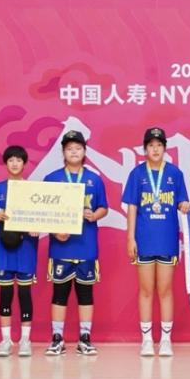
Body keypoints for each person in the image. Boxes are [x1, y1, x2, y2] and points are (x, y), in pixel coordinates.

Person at [122, 127, 190, 357]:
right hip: (144, 239)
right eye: (151, 145)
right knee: (145, 290)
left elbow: (182, 202)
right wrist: (130, 237)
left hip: (167, 240)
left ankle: (166, 340)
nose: (155, 149)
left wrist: (184, 205)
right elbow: (132, 207)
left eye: (159, 145)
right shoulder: (137, 174)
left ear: (165, 148)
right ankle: (147, 340)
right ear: (145, 149)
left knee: (165, 290)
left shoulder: (175, 173)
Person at [44, 130, 108, 356]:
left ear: (84, 151)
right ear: (63, 152)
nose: (74, 152)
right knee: (59, 293)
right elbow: (43, 212)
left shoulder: (94, 179)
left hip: (86, 246)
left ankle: (85, 338)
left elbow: (103, 207)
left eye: (78, 148)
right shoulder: (52, 179)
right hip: (61, 246)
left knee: (85, 293)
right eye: (69, 148)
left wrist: (94, 215)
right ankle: (57, 338)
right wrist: (55, 232)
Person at [0, 146, 41, 358]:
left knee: (25, 292)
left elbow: (40, 216)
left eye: (19, 160)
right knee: (6, 292)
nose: (15, 163)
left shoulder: (33, 190)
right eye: (11, 160)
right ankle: (6, 340)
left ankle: (25, 340)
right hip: (4, 245)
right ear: (6, 163)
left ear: (24, 163)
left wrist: (36, 227)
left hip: (26, 246)